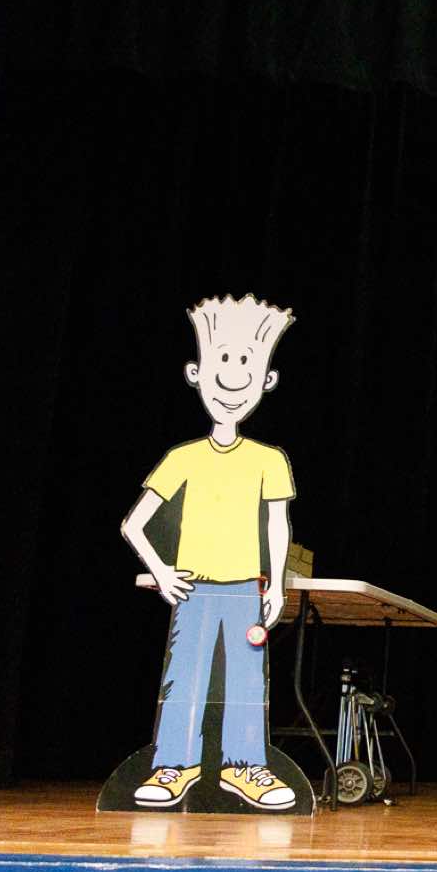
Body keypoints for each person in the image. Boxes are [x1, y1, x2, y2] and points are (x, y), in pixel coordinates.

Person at [119, 294, 299, 810]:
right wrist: (162, 571)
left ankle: (246, 766)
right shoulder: (184, 458)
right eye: (224, 360)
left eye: (246, 364)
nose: (234, 375)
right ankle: (175, 765)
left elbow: (277, 525)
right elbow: (133, 524)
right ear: (196, 373)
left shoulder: (268, 460)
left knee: (246, 681)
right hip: (194, 588)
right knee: (185, 678)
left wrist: (276, 585)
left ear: (266, 380)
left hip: (244, 588)